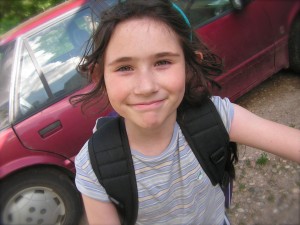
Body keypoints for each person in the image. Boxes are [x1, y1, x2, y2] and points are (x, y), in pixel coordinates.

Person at [71, 1, 300, 224]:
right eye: (124, 68)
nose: (146, 86)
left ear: (189, 68)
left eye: (162, 62)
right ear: (99, 77)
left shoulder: (217, 117)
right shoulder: (92, 166)